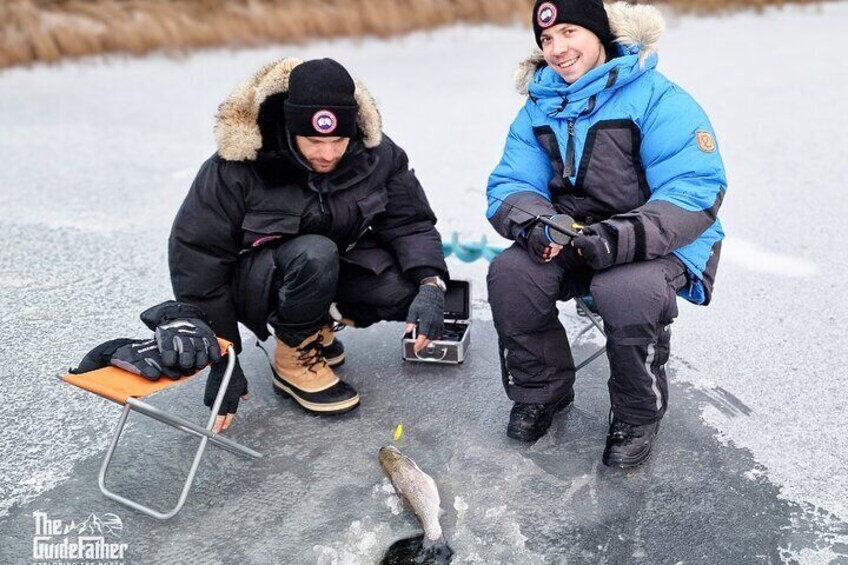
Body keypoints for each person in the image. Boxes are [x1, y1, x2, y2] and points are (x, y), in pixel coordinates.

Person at [147, 57, 447, 431]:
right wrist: (223, 356)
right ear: (290, 129)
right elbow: (198, 258)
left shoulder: (378, 156)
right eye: (315, 141)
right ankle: (292, 356)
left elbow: (410, 221)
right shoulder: (238, 167)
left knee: (400, 286)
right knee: (315, 252)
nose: (328, 154)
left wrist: (431, 283)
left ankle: (315, 321)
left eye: (339, 140)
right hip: (254, 284)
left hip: (321, 270)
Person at [486, 0, 726, 467]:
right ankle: (542, 391)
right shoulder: (539, 107)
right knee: (512, 273)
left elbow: (696, 189)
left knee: (625, 288)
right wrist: (541, 223)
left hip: (660, 240)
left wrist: (621, 237)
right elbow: (510, 186)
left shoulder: (659, 98)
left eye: (570, 32)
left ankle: (638, 413)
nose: (558, 49)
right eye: (547, 39)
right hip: (578, 237)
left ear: (600, 34)